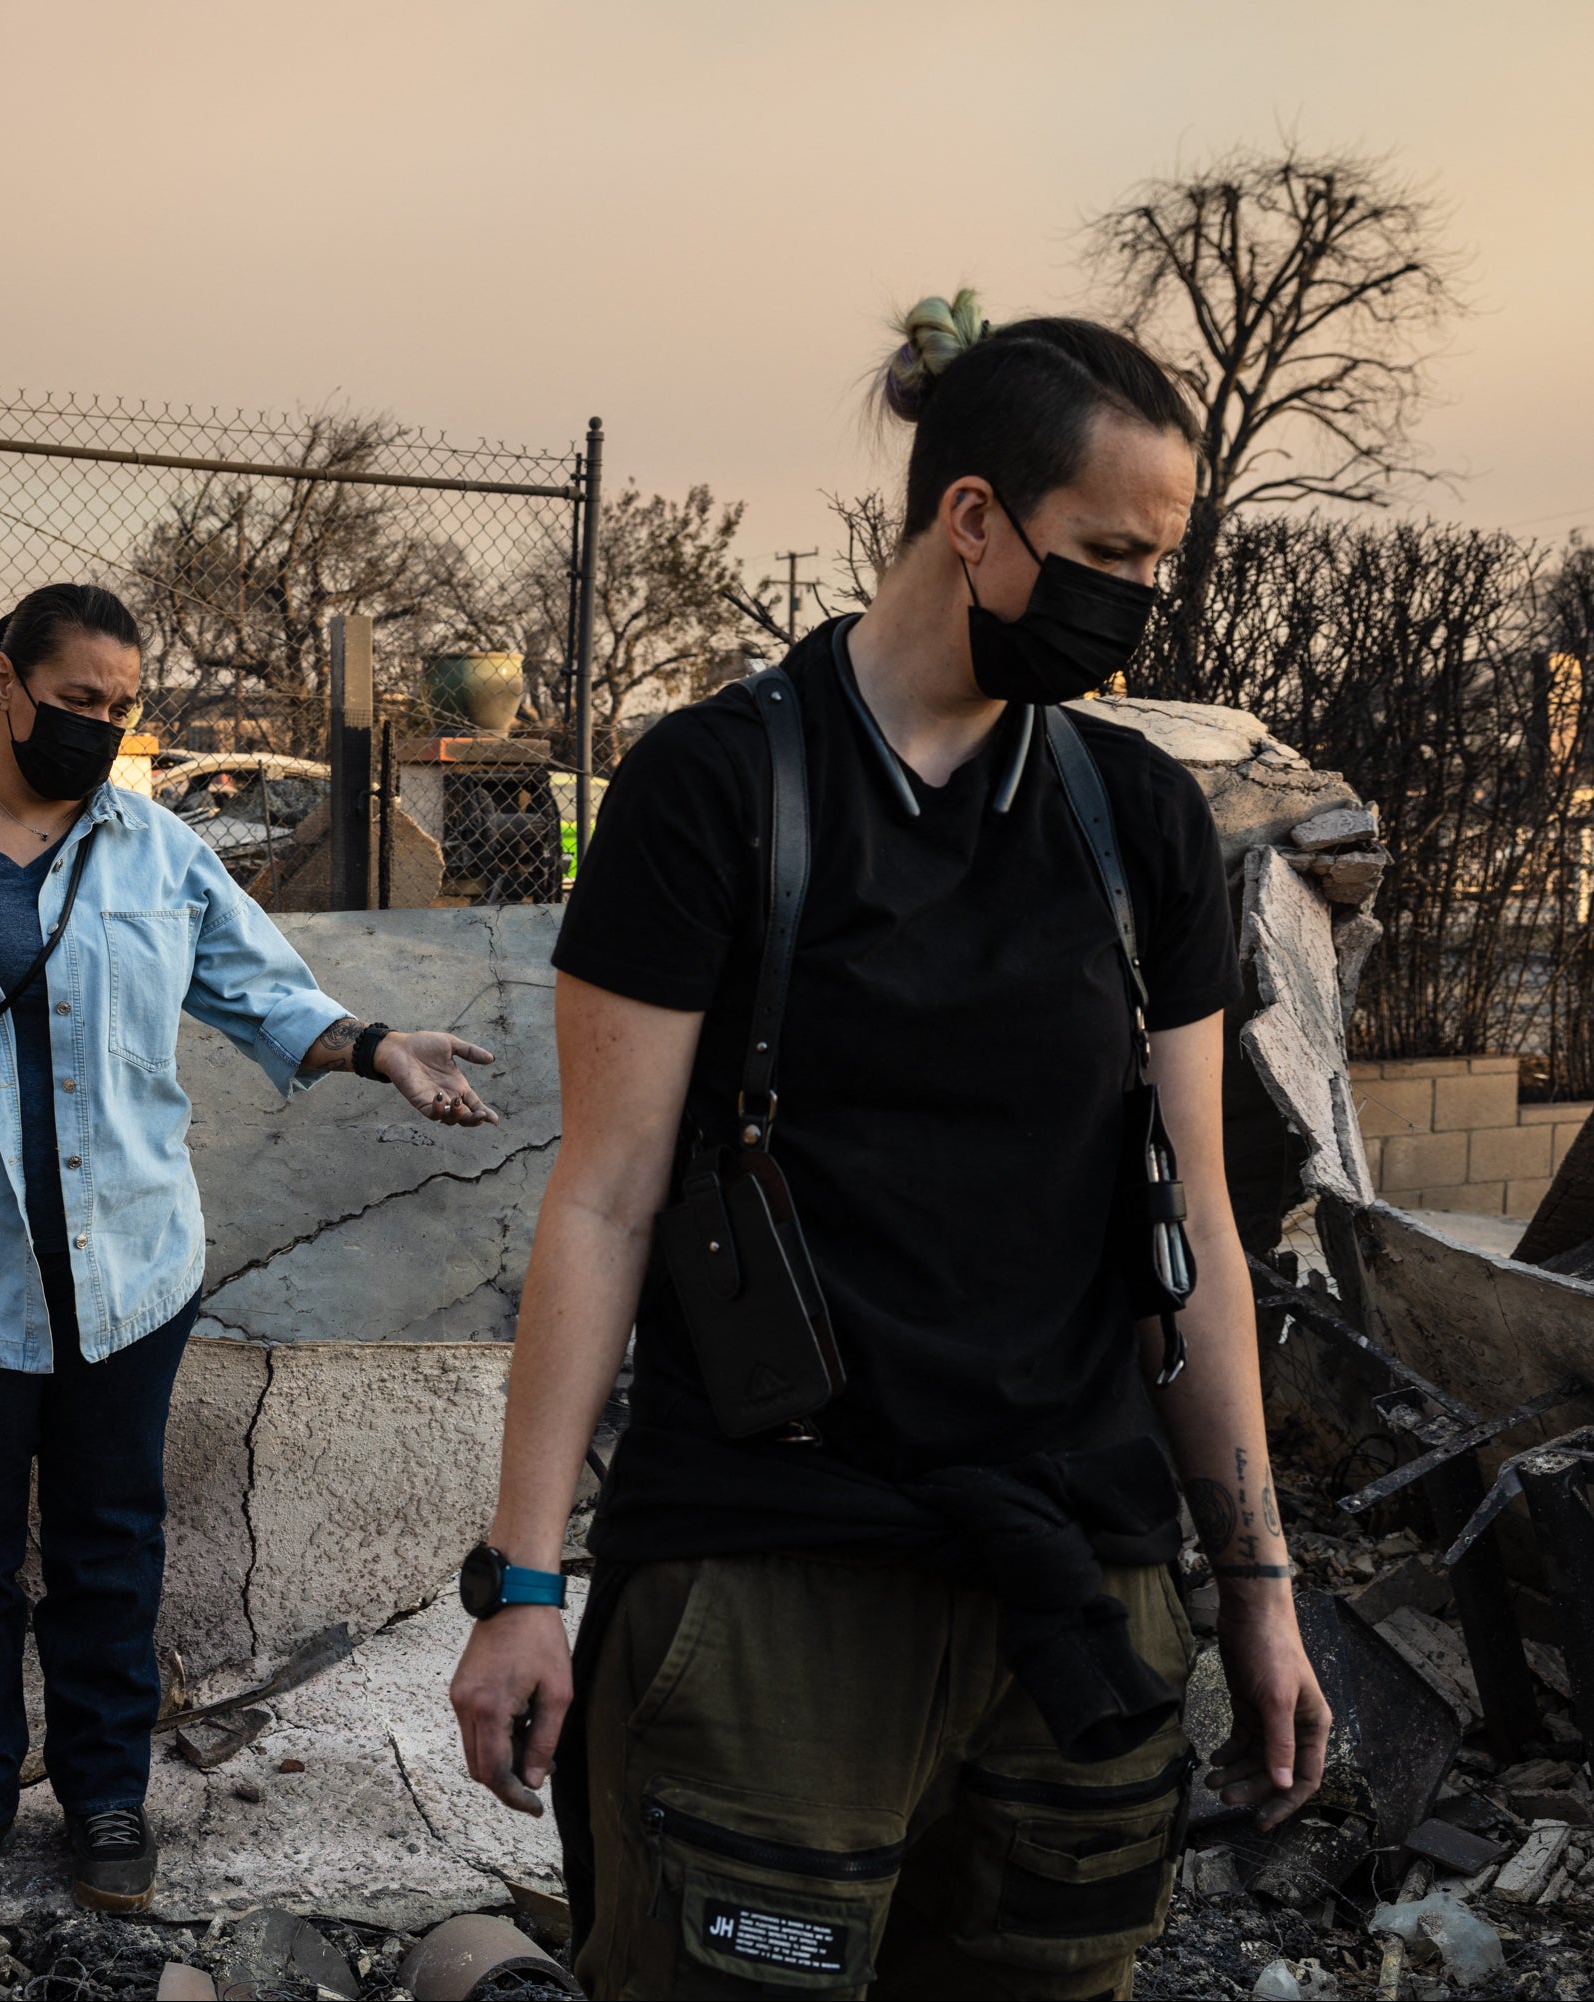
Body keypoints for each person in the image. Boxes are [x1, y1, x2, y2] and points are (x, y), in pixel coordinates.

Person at [447, 295, 1331, 1999]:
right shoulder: (716, 791)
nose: (1137, 600)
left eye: (1161, 563)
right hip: (772, 1578)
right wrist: (524, 1579)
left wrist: (1256, 1580)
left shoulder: (1137, 819)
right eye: (1109, 552)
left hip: (1077, 1587)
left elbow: (1198, 1232)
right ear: (973, 518)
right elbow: (606, 1197)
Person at [0, 582, 500, 1920]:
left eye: (118, 707)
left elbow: (263, 991)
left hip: (127, 1271)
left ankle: (104, 1793)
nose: (97, 726)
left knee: (109, 1541)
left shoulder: (157, 853)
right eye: (74, 700)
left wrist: (382, 1044)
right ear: (3, 682)